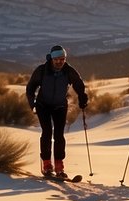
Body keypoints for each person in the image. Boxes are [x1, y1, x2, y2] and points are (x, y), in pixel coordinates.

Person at [26, 45, 88, 178]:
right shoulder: (42, 70)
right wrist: (33, 104)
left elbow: (78, 84)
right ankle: (47, 165)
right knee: (47, 132)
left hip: (60, 106)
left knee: (59, 135)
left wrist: (82, 97)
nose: (60, 62)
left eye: (62, 59)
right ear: (51, 59)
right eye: (57, 59)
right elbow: (31, 87)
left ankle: (59, 166)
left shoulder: (68, 70)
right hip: (43, 105)